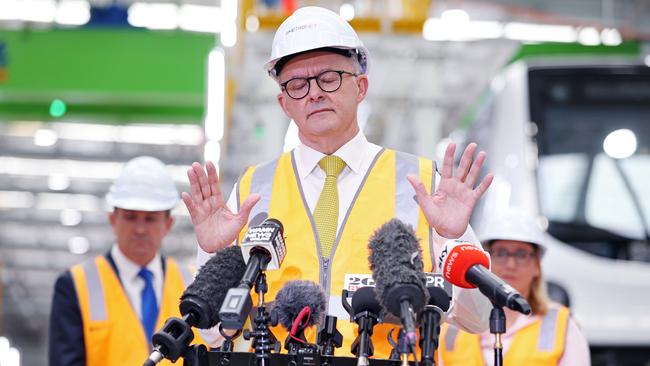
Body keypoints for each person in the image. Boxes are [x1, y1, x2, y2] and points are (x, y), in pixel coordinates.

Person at [183, 6, 495, 359]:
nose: (314, 93)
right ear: (284, 103)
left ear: (360, 86)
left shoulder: (423, 184)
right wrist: (211, 252)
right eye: (298, 84)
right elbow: (211, 335)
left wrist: (454, 239)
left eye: (329, 78)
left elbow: (480, 317)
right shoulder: (254, 188)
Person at [49, 156, 201, 366]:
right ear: (113, 220)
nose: (140, 229)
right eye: (131, 217)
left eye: (150, 218)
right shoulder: (75, 284)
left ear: (168, 223)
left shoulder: (194, 286)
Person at [438, 211, 591, 365]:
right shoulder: (453, 323)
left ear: (537, 265)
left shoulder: (562, 325)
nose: (511, 264)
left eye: (521, 254)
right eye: (501, 253)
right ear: (486, 260)